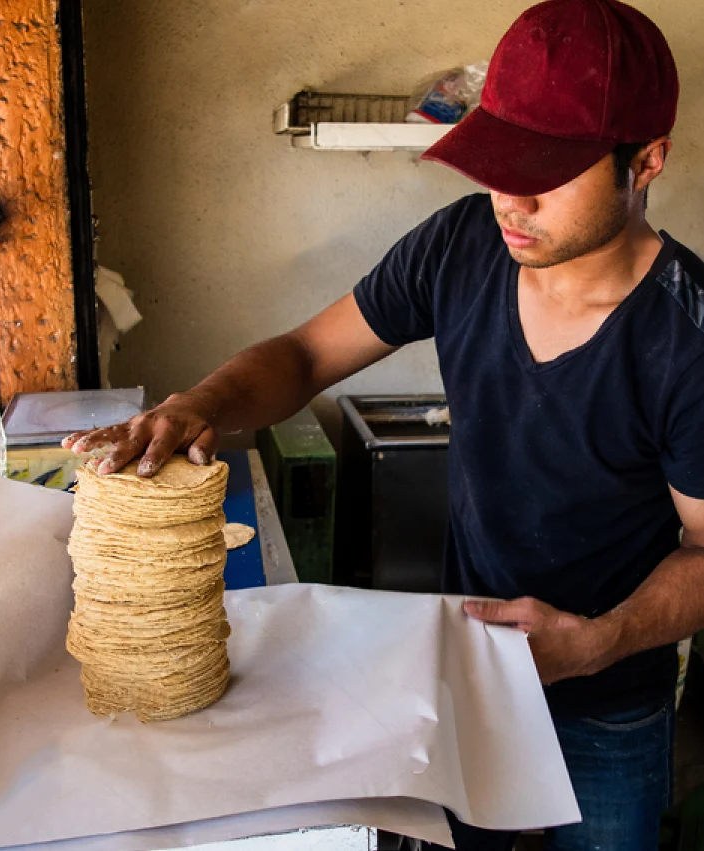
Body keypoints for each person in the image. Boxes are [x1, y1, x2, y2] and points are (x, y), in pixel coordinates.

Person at [64, 0, 704, 847]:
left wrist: (595, 642)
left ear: (645, 161)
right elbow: (302, 355)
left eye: (545, 174)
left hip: (608, 705)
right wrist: (200, 404)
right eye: (497, 162)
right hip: (466, 671)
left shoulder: (685, 338)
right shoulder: (460, 246)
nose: (507, 200)